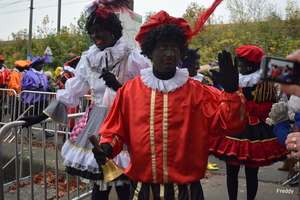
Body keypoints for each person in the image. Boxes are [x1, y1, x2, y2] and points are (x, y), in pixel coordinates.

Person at [95, 6, 247, 199]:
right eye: (163, 47)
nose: (170, 53)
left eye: (175, 47)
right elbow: (115, 129)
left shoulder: (199, 91)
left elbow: (229, 126)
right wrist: (107, 146)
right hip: (143, 189)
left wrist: (232, 93)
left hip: (186, 190)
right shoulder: (130, 91)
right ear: (150, 51)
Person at [20, 1, 152, 200]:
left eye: (99, 30)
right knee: (101, 185)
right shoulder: (89, 59)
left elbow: (146, 95)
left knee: (126, 186)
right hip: (97, 122)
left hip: (126, 123)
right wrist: (41, 116)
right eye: (92, 31)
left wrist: (119, 88)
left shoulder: (133, 58)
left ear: (113, 31)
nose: (95, 35)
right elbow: (74, 91)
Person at [209, 45, 289, 200]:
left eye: (239, 63)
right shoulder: (236, 78)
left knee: (251, 173)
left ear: (250, 66)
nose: (237, 67)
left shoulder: (264, 83)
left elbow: (266, 109)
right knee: (231, 171)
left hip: (254, 130)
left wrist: (242, 103)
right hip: (232, 126)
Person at [180, 48, 219, 171]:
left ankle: (204, 161)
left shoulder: (201, 79)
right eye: (194, 64)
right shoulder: (177, 81)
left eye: (198, 63)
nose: (198, 66)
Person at [20, 56, 54, 139]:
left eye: (42, 64)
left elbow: (45, 84)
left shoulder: (42, 73)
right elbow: (24, 86)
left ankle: (45, 132)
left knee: (44, 115)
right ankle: (30, 133)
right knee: (31, 116)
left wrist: (48, 87)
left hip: (42, 99)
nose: (42, 66)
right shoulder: (28, 74)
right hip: (32, 99)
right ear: (35, 65)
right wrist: (36, 86)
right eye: (40, 64)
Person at [58, 55, 81, 143]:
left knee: (74, 117)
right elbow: (65, 85)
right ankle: (66, 135)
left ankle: (71, 134)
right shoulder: (66, 73)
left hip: (74, 98)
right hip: (68, 98)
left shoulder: (74, 72)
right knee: (69, 117)